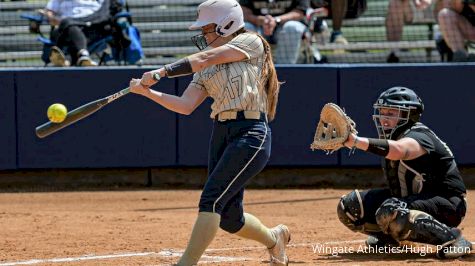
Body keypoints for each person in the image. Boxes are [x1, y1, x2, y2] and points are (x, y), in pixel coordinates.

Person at [129, 0, 290, 265]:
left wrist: (161, 72)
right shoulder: (207, 68)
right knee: (229, 217)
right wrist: (147, 92)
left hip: (251, 132)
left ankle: (186, 263)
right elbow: (185, 105)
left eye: (207, 29)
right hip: (222, 133)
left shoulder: (251, 42)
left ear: (227, 25)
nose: (203, 35)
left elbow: (206, 57)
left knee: (211, 200)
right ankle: (274, 239)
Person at [337, 87, 471, 258]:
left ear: (409, 115)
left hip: (447, 204)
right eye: (382, 112)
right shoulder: (393, 137)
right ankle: (391, 239)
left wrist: (355, 141)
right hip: (412, 199)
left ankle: (454, 239)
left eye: (391, 113)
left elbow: (400, 150)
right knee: (349, 206)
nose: (384, 119)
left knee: (392, 209)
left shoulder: (419, 134)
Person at [40, 0, 117, 66]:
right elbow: (49, 11)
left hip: (91, 27)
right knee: (69, 25)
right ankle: (83, 55)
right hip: (64, 30)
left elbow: (104, 11)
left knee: (73, 32)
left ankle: (67, 61)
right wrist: (53, 18)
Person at [240, 0, 310, 64]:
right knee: (246, 27)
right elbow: (244, 12)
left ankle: (285, 70)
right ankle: (253, 70)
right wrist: (262, 21)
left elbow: (300, 12)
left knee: (292, 27)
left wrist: (276, 20)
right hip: (258, 25)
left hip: (284, 26)